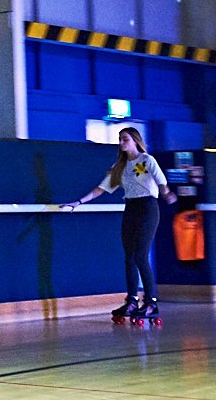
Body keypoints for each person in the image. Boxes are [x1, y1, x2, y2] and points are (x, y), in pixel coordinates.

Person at [60, 126, 175, 323]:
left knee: (140, 255)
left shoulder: (147, 160)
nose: (121, 143)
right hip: (130, 208)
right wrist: (78, 202)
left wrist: (166, 193)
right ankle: (131, 301)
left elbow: (161, 181)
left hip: (148, 207)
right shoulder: (119, 167)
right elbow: (101, 189)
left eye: (125, 139)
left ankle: (151, 303)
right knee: (129, 256)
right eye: (120, 139)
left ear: (135, 141)